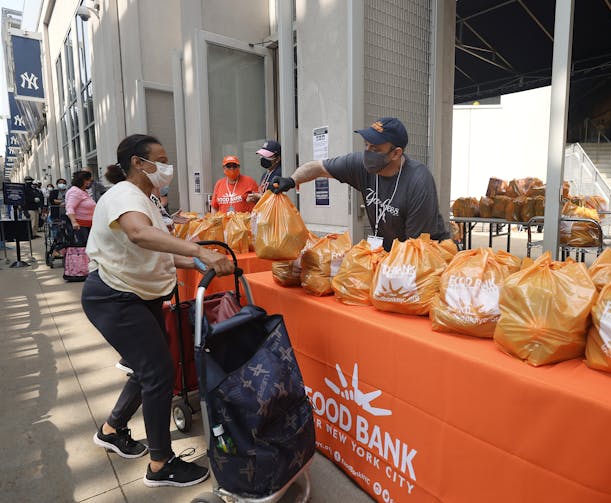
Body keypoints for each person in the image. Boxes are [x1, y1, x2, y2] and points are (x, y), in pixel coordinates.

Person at [82, 134, 234, 488]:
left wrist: (197, 261)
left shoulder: (146, 199)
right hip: (115, 297)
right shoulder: (124, 195)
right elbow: (139, 235)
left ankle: (112, 428)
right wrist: (201, 251)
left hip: (138, 295)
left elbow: (159, 251)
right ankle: (160, 464)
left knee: (146, 367)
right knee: (159, 372)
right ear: (138, 162)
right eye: (160, 160)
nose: (167, 168)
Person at [271, 117, 449, 251]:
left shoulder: (418, 181)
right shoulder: (360, 165)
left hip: (425, 256)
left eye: (376, 149)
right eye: (366, 145)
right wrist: (292, 180)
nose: (368, 153)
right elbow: (318, 167)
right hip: (390, 256)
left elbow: (416, 247)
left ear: (396, 153)